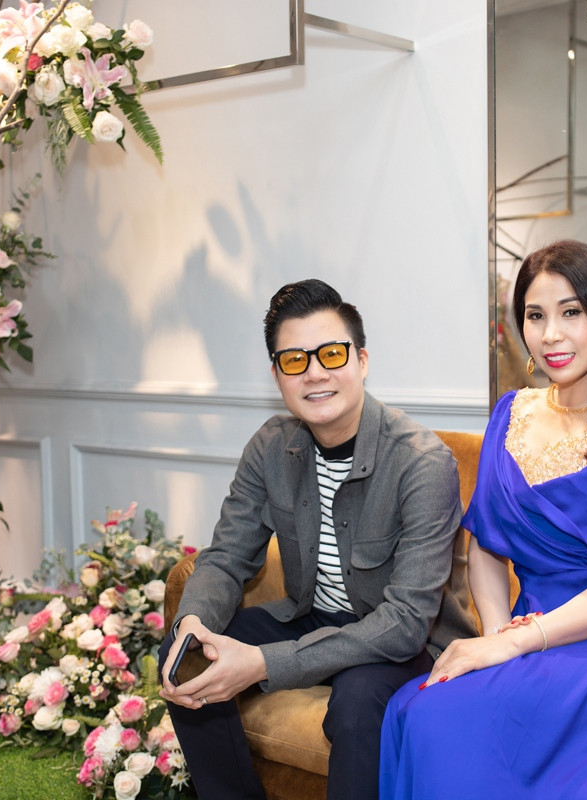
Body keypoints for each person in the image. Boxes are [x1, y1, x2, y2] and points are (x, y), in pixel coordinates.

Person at [379, 240, 587, 799]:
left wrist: (517, 644)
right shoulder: (511, 413)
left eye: (571, 312)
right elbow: (486, 545)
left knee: (440, 724)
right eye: (535, 316)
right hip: (526, 629)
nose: (551, 334)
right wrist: (495, 636)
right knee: (413, 708)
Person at [160, 279, 476, 800]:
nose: (314, 373)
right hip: (313, 615)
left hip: (407, 642)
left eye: (331, 354)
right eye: (294, 360)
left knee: (357, 705)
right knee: (185, 650)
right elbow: (226, 556)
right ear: (277, 375)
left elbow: (405, 622)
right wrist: (193, 621)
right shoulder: (270, 446)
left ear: (362, 360)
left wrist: (266, 663)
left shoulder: (422, 462)